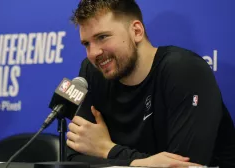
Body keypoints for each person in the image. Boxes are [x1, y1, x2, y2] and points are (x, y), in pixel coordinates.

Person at [65, 0, 235, 167]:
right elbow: (73, 158)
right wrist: (141, 162)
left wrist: (107, 150)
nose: (93, 53)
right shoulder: (92, 72)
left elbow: (184, 165)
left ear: (137, 31)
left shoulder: (184, 70)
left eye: (102, 37)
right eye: (86, 43)